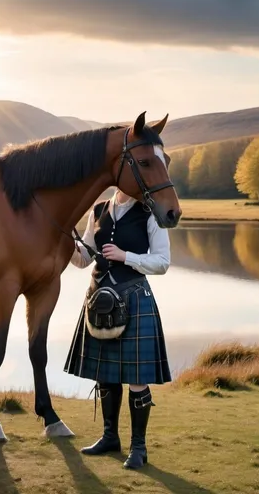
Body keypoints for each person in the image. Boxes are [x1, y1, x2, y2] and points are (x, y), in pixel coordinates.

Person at [63, 187, 172, 469]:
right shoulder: (98, 210)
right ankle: (110, 437)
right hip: (98, 299)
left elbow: (162, 262)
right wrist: (67, 248)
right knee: (105, 375)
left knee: (136, 377)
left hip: (133, 296)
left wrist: (127, 257)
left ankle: (139, 448)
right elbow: (85, 259)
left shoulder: (150, 212)